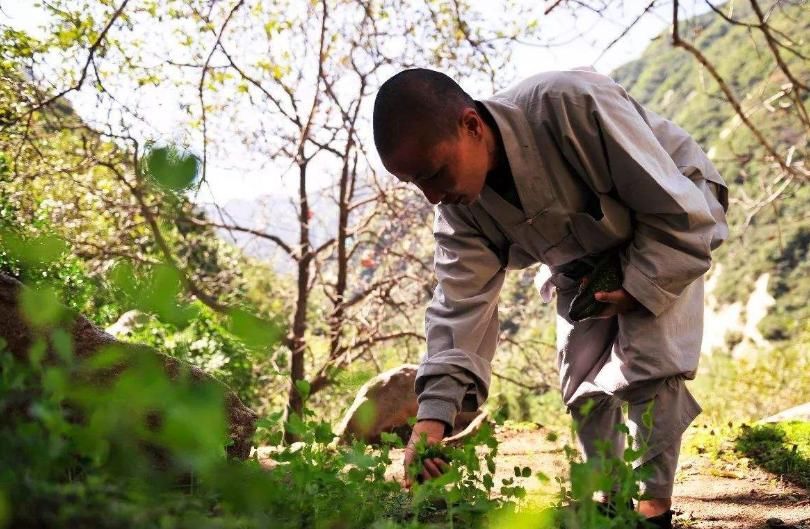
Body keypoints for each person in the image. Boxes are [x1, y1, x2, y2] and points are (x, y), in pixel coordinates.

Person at [372, 66, 729, 528]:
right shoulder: (458, 211)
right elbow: (459, 305)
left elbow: (677, 210)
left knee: (649, 367)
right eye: (416, 184)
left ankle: (650, 511)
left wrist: (639, 286)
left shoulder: (571, 103)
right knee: (580, 379)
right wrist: (432, 418)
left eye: (436, 173)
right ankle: (608, 503)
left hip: (669, 223)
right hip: (582, 256)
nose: (434, 195)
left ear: (472, 125)